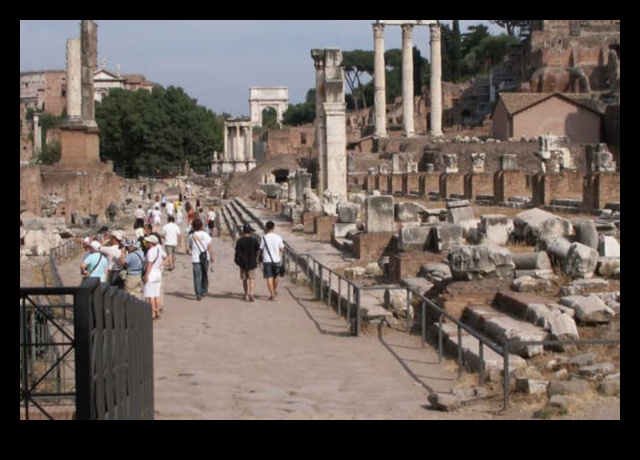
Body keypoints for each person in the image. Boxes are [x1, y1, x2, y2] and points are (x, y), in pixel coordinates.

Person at [188, 218, 213, 301]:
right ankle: (204, 290)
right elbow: (209, 246)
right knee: (204, 274)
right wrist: (212, 255)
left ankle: (198, 293)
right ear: (201, 226)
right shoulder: (205, 234)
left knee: (196, 276)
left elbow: (190, 246)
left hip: (195, 258)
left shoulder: (191, 236)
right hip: (205, 257)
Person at [234, 224, 261, 302]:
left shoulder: (240, 241)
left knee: (244, 279)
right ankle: (251, 293)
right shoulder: (254, 240)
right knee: (252, 279)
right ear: (250, 231)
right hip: (252, 262)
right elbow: (257, 250)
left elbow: (237, 252)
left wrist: (238, 261)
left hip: (243, 263)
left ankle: (246, 294)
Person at [259, 220, 285, 301]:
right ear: (273, 227)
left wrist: (260, 256)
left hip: (267, 260)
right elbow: (282, 249)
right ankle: (274, 290)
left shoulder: (264, 238)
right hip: (276, 259)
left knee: (269, 277)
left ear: (266, 228)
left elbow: (261, 249)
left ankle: (272, 293)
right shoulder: (278, 237)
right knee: (276, 276)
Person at [142, 234, 167, 320]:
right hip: (158, 273)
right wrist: (161, 265)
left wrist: (146, 275)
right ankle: (157, 312)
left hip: (152, 273)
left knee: (150, 295)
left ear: (151, 243)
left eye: (148, 242)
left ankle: (152, 313)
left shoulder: (150, 251)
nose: (147, 243)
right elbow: (166, 257)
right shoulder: (159, 250)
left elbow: (149, 265)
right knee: (157, 294)